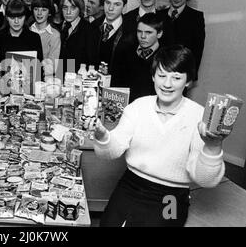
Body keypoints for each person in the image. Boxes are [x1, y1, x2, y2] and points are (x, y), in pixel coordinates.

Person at [92, 45, 228, 227]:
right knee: (109, 224)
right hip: (131, 184)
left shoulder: (199, 117)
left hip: (171, 195)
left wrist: (212, 147)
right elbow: (112, 150)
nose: (167, 84)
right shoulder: (138, 107)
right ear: (153, 76)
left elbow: (207, 180)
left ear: (188, 81)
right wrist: (103, 136)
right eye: (162, 75)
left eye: (177, 78)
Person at [158, 0, 206, 77]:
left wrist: (192, 76)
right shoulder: (159, 15)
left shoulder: (196, 17)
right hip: (160, 69)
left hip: (181, 72)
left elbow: (197, 50)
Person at [112, 13, 163, 102]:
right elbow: (115, 84)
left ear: (159, 34)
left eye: (148, 32)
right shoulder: (125, 52)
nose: (143, 36)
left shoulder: (165, 58)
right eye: (139, 31)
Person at [96, 0, 136, 75]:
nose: (110, 8)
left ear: (124, 7)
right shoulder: (93, 26)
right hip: (92, 83)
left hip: (118, 86)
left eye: (117, 4)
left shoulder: (131, 31)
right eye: (108, 3)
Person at [0, 0, 43, 64]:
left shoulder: (34, 38)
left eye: (20, 17)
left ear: (25, 17)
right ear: (7, 17)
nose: (16, 21)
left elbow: (39, 68)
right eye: (12, 18)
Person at [59, 0, 97, 73]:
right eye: (65, 8)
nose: (68, 12)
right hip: (62, 76)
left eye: (73, 8)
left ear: (80, 9)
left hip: (79, 77)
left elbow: (91, 61)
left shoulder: (89, 30)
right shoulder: (62, 27)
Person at [30, 0, 61, 78]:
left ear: (50, 12)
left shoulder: (54, 35)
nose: (39, 13)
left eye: (44, 10)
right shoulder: (27, 30)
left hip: (44, 79)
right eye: (36, 9)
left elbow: (53, 65)